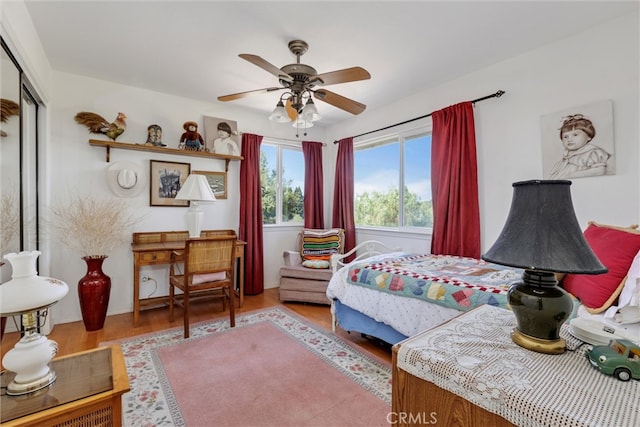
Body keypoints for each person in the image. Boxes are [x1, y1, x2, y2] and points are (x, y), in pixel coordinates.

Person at [549, 114, 610, 179]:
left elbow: (599, 171)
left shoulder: (592, 152)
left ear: (588, 137)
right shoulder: (566, 156)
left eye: (575, 135)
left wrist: (570, 176)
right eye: (565, 137)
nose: (569, 139)